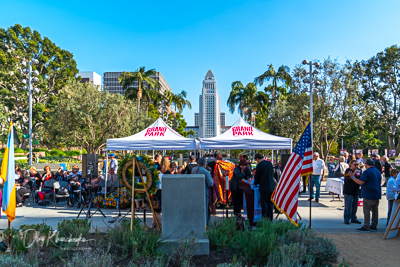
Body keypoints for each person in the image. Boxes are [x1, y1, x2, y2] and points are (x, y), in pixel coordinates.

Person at [351, 158, 382, 232]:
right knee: (375, 210)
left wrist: (353, 177)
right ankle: (374, 225)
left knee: (367, 210)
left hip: (368, 193)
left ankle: (366, 225)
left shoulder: (367, 172)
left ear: (366, 164)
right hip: (376, 193)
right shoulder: (378, 171)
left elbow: (361, 182)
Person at [191, 157, 214, 224]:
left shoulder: (193, 170)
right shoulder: (206, 172)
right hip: (204, 193)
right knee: (205, 211)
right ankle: (205, 225)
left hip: (195, 193)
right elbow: (211, 184)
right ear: (204, 164)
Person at [254, 153, 275, 220]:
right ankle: (270, 218)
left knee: (264, 204)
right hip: (271, 186)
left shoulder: (259, 165)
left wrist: (255, 182)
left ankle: (265, 219)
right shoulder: (270, 164)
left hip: (264, 187)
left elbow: (257, 176)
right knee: (270, 204)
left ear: (257, 159)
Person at [343, 160, 362, 224]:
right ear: (351, 164)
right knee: (348, 206)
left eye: (357, 165)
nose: (356, 166)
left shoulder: (358, 171)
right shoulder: (348, 171)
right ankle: (347, 218)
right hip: (348, 191)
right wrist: (353, 174)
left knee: (355, 206)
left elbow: (360, 179)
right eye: (355, 164)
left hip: (356, 190)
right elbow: (347, 179)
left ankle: (353, 218)